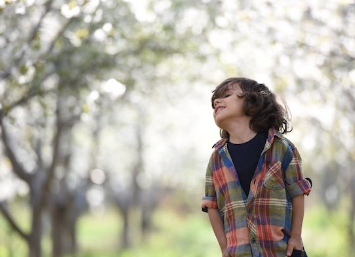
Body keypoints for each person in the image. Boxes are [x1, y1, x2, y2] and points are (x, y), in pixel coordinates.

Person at [201, 77, 312, 257]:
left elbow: (298, 191)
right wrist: (224, 247)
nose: (216, 102)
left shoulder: (281, 147)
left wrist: (296, 237)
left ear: (252, 103)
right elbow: (211, 205)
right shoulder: (216, 159)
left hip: (282, 252)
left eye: (227, 95)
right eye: (214, 103)